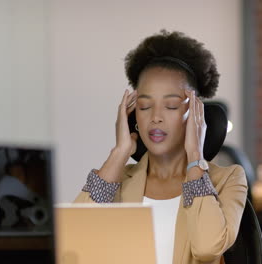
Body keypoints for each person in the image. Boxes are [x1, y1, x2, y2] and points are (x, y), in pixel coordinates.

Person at [74, 30, 247, 264]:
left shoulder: (228, 179)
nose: (155, 117)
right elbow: (75, 243)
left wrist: (195, 156)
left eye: (172, 106)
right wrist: (119, 153)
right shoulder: (116, 180)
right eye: (145, 107)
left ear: (196, 113)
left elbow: (207, 248)